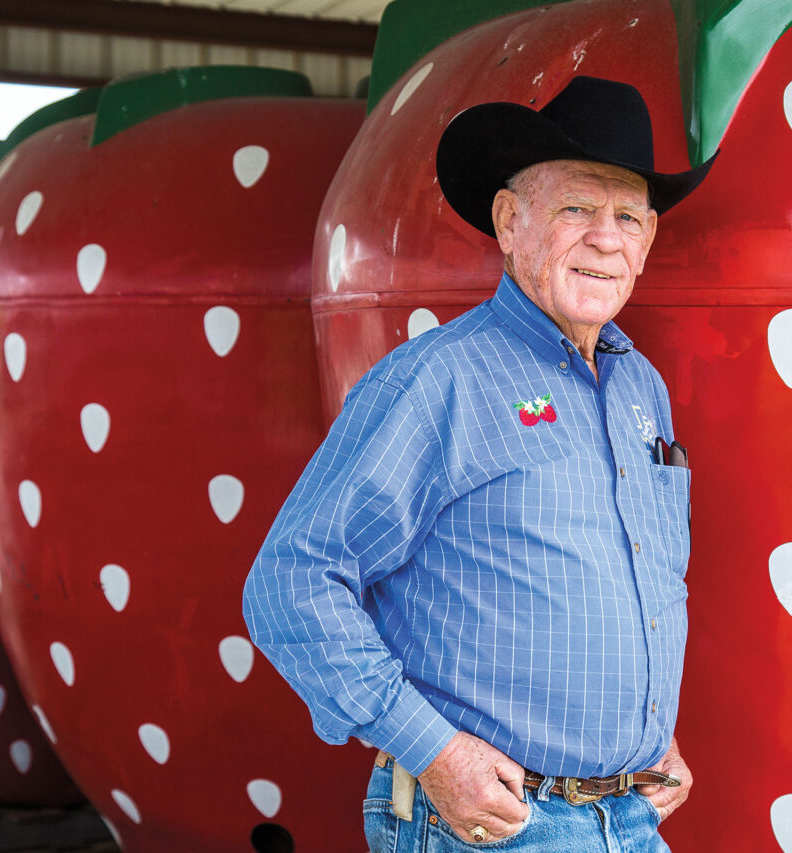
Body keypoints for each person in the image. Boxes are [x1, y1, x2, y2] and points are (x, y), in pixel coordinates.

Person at [243, 76, 714, 851]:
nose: (606, 238)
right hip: (494, 823)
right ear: (508, 221)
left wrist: (641, 734)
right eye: (576, 209)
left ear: (650, 239)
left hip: (629, 813)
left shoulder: (641, 387)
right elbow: (291, 580)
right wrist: (432, 748)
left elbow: (631, 574)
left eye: (628, 216)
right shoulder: (440, 379)